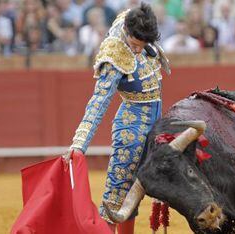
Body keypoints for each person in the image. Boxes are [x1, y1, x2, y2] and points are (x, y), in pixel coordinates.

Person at [62, 3, 165, 234]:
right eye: (135, 45)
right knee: (116, 196)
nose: (138, 51)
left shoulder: (134, 20)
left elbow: (133, 13)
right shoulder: (114, 52)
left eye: (143, 45)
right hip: (132, 126)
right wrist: (79, 144)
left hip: (156, 122)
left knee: (134, 196)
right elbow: (99, 101)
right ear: (127, 34)